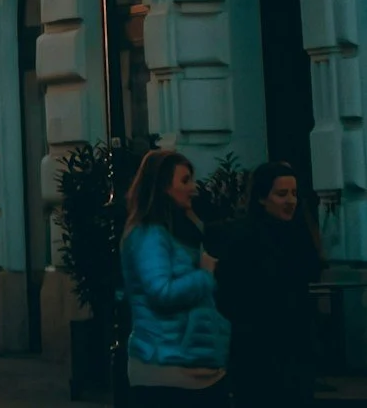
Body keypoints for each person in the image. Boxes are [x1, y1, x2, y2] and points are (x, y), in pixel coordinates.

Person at [214, 160, 323, 408]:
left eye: (294, 193)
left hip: (296, 349)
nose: (291, 201)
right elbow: (231, 295)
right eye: (282, 194)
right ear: (262, 198)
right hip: (258, 351)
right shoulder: (244, 238)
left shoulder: (299, 234)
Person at [122, 148, 230, 398]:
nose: (193, 188)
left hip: (197, 368)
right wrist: (205, 275)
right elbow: (161, 293)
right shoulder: (149, 234)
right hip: (165, 370)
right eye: (185, 180)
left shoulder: (186, 229)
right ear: (162, 186)